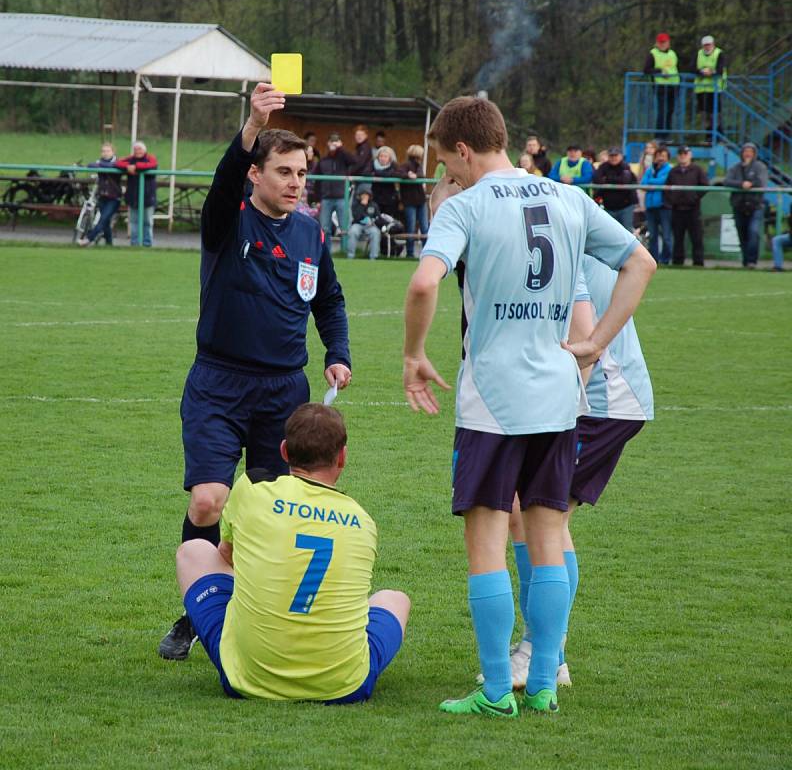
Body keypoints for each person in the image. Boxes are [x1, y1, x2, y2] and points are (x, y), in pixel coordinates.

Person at [403, 95, 655, 717]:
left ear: (463, 149)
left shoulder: (465, 206)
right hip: (558, 397)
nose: (448, 176)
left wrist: (413, 354)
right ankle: (543, 683)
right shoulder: (568, 197)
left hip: (492, 399)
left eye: (448, 164)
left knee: (488, 539)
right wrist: (594, 342)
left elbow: (423, 281)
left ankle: (494, 691)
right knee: (546, 534)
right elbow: (640, 262)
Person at [158, 83, 352, 661]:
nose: (296, 183)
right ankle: (196, 615)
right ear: (255, 174)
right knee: (209, 502)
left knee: (267, 513)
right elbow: (220, 181)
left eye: (302, 173)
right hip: (218, 383)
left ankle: (237, 610)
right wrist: (251, 125)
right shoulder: (228, 220)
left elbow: (330, 300)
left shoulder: (312, 232)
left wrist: (336, 351)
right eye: (284, 171)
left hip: (283, 393)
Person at [177, 403, 411, 701]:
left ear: (284, 451)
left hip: (247, 679)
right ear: (342, 457)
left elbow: (227, 555)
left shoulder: (252, 488)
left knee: (194, 550)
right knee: (394, 599)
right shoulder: (363, 519)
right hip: (344, 687)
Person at [504, 254, 654, 690]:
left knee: (540, 517)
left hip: (600, 401)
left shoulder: (556, 235)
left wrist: (560, 412)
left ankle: (541, 653)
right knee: (533, 514)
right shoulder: (559, 223)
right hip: (598, 399)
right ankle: (550, 655)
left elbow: (583, 335)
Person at [724, 142, 768, 269]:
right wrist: (741, 184)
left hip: (755, 205)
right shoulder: (735, 168)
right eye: (745, 151)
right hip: (739, 205)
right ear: (742, 153)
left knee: (753, 232)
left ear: (754, 154)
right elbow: (727, 181)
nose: (747, 154)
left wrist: (750, 184)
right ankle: (745, 261)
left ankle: (752, 261)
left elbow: (761, 181)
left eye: (750, 152)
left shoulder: (760, 167)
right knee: (742, 234)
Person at [667, 146, 709, 266]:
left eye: (685, 153)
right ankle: (677, 262)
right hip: (677, 209)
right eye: (680, 153)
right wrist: (672, 200)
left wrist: (695, 197)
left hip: (693, 209)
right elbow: (667, 188)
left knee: (696, 237)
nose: (682, 156)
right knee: (678, 238)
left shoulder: (697, 170)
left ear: (690, 155)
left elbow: (705, 186)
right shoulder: (673, 171)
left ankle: (698, 263)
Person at [78, 142, 122, 247]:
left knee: (103, 219)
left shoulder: (118, 162)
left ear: (113, 152)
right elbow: (90, 165)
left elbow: (113, 166)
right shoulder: (100, 162)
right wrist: (101, 165)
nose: (105, 153)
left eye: (108, 151)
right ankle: (109, 244)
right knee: (105, 222)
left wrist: (101, 165)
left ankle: (89, 238)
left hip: (114, 197)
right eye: (103, 151)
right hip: (102, 196)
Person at [116, 141, 157, 247]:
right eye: (136, 149)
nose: (138, 151)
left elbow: (152, 165)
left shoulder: (150, 158)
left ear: (145, 150)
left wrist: (135, 167)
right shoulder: (130, 159)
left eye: (140, 149)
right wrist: (128, 167)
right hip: (133, 196)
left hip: (147, 196)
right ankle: (135, 244)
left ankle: (147, 243)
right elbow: (118, 163)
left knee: (147, 222)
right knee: (133, 222)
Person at [315, 133, 355, 240]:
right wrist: (317, 199)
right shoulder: (323, 160)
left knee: (345, 227)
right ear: (328, 143)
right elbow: (317, 181)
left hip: (341, 197)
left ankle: (347, 254)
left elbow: (353, 161)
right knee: (324, 228)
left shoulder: (344, 159)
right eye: (332, 142)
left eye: (336, 141)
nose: (333, 144)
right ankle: (325, 253)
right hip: (326, 198)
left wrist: (340, 148)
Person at [592, 146, 638, 230]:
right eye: (611, 156)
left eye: (615, 155)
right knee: (610, 231)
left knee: (627, 231)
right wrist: (615, 179)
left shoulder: (625, 166)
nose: (613, 158)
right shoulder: (603, 166)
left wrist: (607, 179)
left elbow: (625, 180)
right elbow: (596, 179)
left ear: (620, 156)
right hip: (609, 206)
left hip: (625, 206)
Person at [641, 145, 673, 264]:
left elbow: (664, 181)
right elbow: (643, 184)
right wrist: (652, 183)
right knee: (653, 236)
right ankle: (654, 260)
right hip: (650, 207)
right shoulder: (650, 170)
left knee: (666, 236)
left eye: (663, 156)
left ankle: (665, 260)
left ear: (668, 158)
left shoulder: (670, 169)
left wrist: (651, 183)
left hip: (664, 206)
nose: (660, 158)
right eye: (658, 156)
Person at [643, 33, 679, 138]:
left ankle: (667, 135)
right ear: (657, 43)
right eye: (661, 42)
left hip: (673, 85)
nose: (663, 44)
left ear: (668, 43)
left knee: (670, 111)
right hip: (660, 86)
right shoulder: (653, 54)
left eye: (665, 42)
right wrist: (660, 71)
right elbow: (646, 70)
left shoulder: (672, 54)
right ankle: (659, 136)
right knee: (662, 111)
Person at [400, 145, 429, 258]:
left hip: (420, 200)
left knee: (424, 227)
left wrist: (415, 176)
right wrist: (408, 175)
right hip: (410, 201)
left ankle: (424, 252)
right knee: (412, 227)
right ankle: (410, 253)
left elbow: (421, 175)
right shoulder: (406, 165)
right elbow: (399, 173)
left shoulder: (418, 166)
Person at [694, 36, 726, 135]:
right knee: (705, 113)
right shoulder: (699, 54)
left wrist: (711, 72)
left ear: (713, 44)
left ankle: (719, 135)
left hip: (715, 89)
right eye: (705, 45)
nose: (707, 47)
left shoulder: (719, 53)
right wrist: (701, 71)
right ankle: (708, 135)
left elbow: (720, 69)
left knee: (716, 113)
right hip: (701, 89)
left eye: (709, 45)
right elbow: (692, 68)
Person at [347, 189, 381, 259]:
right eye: (363, 195)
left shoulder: (373, 204)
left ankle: (373, 256)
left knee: (375, 232)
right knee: (353, 232)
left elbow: (378, 216)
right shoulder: (355, 204)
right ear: (360, 196)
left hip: (370, 225)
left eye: (366, 195)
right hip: (358, 224)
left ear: (369, 196)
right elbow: (356, 217)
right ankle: (350, 255)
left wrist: (372, 221)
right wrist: (362, 206)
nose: (365, 197)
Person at [349, 124, 374, 195]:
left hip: (364, 178)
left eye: (361, 135)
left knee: (362, 202)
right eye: (357, 135)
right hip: (359, 178)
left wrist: (349, 172)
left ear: (366, 136)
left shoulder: (365, 147)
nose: (359, 137)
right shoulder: (359, 147)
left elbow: (360, 163)